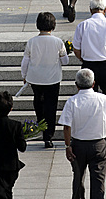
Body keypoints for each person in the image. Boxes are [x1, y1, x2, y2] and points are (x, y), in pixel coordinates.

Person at [59, 68, 106, 199]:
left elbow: (66, 127)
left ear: (76, 85)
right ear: (93, 83)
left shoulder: (72, 101)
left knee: (78, 179)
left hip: (78, 144)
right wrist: (99, 130)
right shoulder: (103, 99)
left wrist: (68, 146)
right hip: (98, 144)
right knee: (98, 180)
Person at [20, 11, 69, 149]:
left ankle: (41, 128)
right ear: (53, 26)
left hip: (35, 79)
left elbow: (25, 62)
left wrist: (24, 75)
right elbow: (65, 61)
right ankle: (49, 136)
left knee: (39, 104)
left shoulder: (32, 42)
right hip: (53, 79)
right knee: (51, 107)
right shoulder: (58, 42)